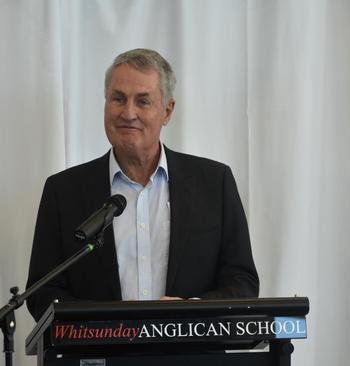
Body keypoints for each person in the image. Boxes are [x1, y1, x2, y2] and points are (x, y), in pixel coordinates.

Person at [26, 48, 258, 321]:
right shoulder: (63, 191)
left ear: (167, 111)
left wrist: (192, 310)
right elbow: (42, 293)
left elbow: (242, 282)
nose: (128, 113)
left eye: (143, 101)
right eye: (118, 99)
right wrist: (107, 327)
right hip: (99, 358)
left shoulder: (214, 182)